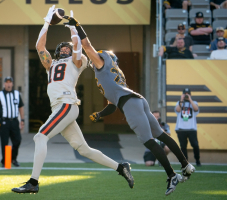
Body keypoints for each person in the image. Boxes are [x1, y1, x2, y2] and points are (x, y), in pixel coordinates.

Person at [64, 11, 195, 196]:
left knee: (148, 141)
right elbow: (112, 103)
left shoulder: (102, 65)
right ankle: (185, 164)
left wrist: (77, 26)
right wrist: (101, 114)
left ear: (105, 58)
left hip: (131, 105)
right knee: (161, 135)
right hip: (138, 101)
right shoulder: (111, 73)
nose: (95, 59)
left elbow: (87, 45)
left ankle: (172, 174)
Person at [11, 6, 134, 194]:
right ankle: (121, 167)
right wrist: (46, 22)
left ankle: (33, 182)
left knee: (40, 136)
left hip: (67, 105)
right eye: (63, 47)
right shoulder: (50, 64)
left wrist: (74, 29)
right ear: (59, 51)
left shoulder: (77, 61)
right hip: (60, 108)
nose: (66, 49)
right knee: (84, 149)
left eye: (68, 47)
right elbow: (40, 47)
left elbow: (78, 50)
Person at [0, 76, 24, 167]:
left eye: (10, 82)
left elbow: (21, 107)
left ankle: (13, 158)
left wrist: (22, 119)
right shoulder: (0, 94)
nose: (8, 84)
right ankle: (5, 161)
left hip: (14, 121)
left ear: (12, 84)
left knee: (17, 141)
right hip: (4, 122)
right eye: (7, 82)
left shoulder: (17, 94)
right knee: (4, 142)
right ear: (4, 84)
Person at [175, 88, 201, 167]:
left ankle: (197, 160)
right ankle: (185, 162)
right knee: (183, 146)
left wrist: (190, 100)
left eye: (188, 94)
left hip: (191, 128)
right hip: (181, 129)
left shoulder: (194, 103)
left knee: (195, 145)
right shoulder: (179, 103)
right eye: (185, 94)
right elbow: (178, 110)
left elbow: (196, 109)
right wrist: (181, 100)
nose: (186, 95)